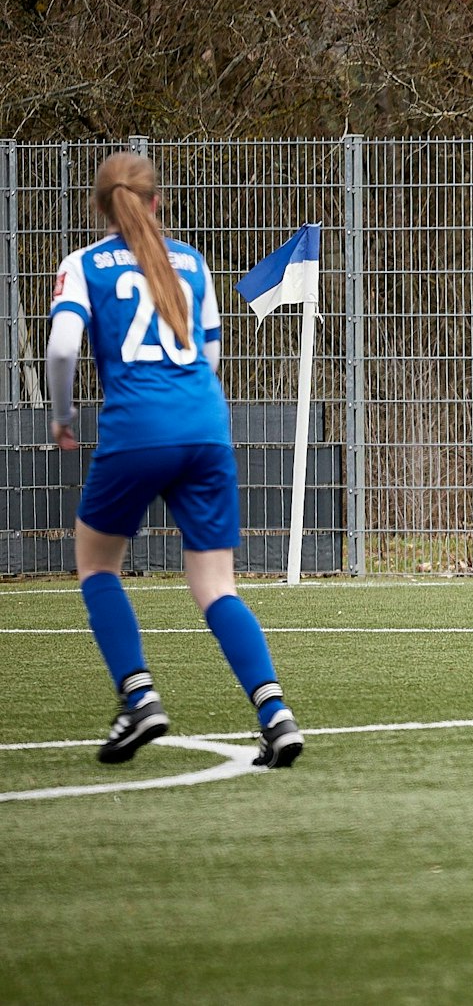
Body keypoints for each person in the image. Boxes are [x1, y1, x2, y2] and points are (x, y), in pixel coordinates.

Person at [45, 151, 303, 768]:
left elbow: (59, 348)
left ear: (100, 206)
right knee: (217, 586)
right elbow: (209, 354)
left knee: (97, 565)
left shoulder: (82, 265)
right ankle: (276, 715)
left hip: (137, 430)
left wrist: (62, 416)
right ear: (157, 201)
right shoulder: (189, 261)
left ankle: (139, 697)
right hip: (207, 427)